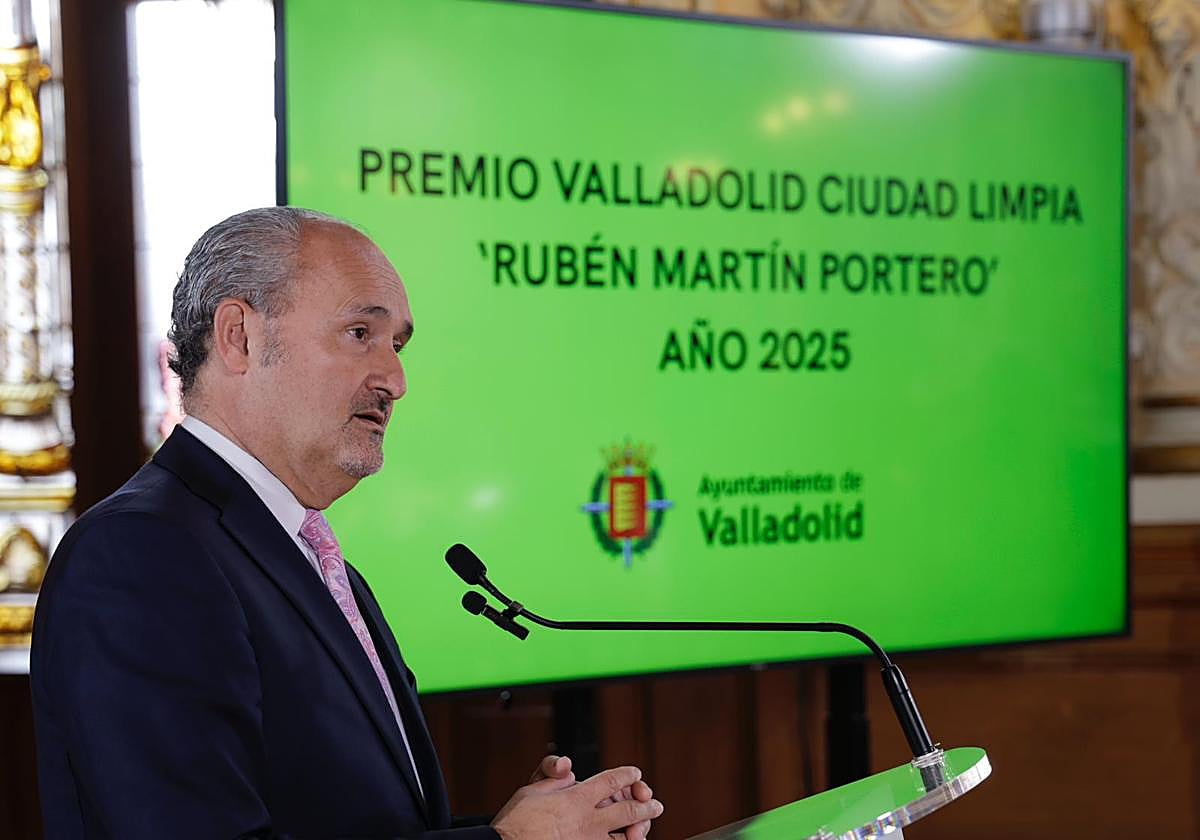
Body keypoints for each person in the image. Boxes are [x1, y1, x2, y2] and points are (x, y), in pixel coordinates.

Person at [30, 207, 664, 839]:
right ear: (239, 337)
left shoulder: (309, 556)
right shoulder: (142, 555)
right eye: (361, 333)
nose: (396, 379)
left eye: (398, 345)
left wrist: (530, 829)